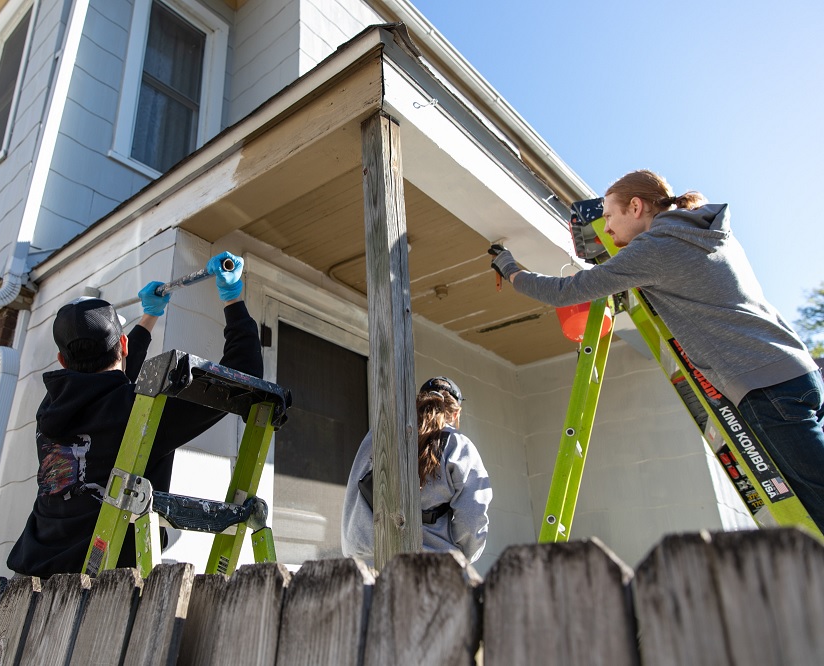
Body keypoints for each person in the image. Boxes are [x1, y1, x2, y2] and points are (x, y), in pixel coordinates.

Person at [489, 169, 824, 531]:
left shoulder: (657, 249)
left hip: (764, 387)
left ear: (635, 207)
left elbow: (565, 292)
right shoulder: (703, 231)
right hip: (795, 370)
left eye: (609, 215)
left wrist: (509, 268)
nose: (607, 226)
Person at [7, 251, 263, 577]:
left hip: (33, 575)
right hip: (105, 580)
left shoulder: (50, 411)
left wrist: (149, 319)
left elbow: (109, 390)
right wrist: (233, 299)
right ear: (124, 347)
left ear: (61, 360)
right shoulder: (141, 415)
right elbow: (244, 374)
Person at [341, 376, 492, 565]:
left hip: (364, 569)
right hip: (428, 571)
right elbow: (472, 516)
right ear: (455, 415)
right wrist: (462, 558)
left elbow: (354, 493)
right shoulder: (458, 445)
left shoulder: (377, 434)